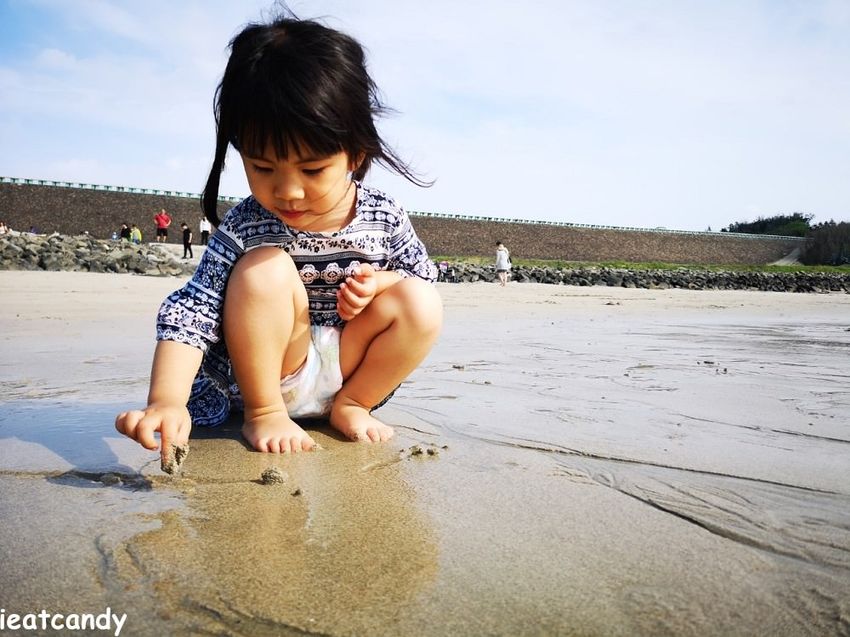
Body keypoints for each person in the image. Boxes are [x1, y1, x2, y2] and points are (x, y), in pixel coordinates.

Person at [115, 12, 442, 461]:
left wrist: (381, 283)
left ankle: (353, 405)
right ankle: (265, 412)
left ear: (356, 153)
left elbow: (422, 276)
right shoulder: (247, 224)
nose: (288, 191)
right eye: (263, 167)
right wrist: (166, 401)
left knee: (421, 301)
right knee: (263, 268)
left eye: (312, 169)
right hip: (273, 373)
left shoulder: (383, 215)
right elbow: (192, 311)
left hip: (348, 368)